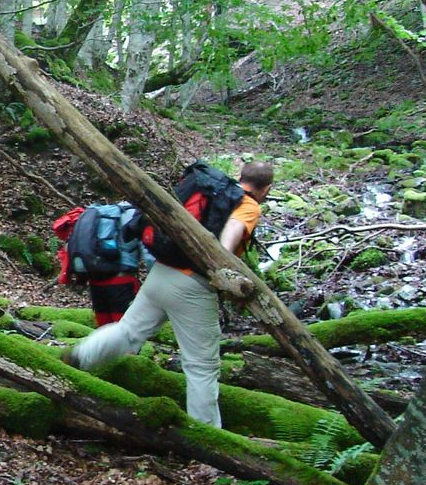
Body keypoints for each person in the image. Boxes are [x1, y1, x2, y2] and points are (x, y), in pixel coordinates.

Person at [64, 161, 274, 428]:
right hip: (192, 286)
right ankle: (207, 434)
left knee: (129, 332)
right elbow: (229, 237)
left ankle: (79, 357)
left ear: (240, 177)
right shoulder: (248, 205)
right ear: (266, 189)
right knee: (201, 366)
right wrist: (223, 266)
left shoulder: (214, 190)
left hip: (161, 273)